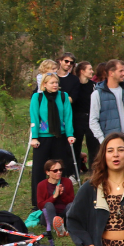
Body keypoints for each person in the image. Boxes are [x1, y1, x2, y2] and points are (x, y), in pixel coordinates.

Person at [29, 72, 76, 209]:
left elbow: (68, 116)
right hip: (43, 137)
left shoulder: (63, 96)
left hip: (59, 137)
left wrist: (69, 134)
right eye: (52, 83)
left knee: (59, 168)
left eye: (56, 83)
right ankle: (37, 202)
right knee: (39, 169)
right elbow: (34, 118)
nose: (55, 85)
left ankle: (62, 198)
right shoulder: (37, 97)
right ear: (44, 84)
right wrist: (34, 137)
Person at [88, 60, 124, 158]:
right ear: (111, 73)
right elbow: (93, 120)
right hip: (111, 144)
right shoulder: (97, 94)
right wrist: (103, 141)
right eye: (121, 71)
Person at [36, 158, 74, 241]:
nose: (59, 172)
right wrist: (54, 196)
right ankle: (56, 228)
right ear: (47, 172)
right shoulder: (41, 185)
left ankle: (67, 226)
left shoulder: (67, 182)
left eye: (60, 169)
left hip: (63, 213)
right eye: (55, 170)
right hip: (48, 216)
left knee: (71, 205)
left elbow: (72, 201)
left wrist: (62, 194)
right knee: (48, 205)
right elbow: (41, 206)